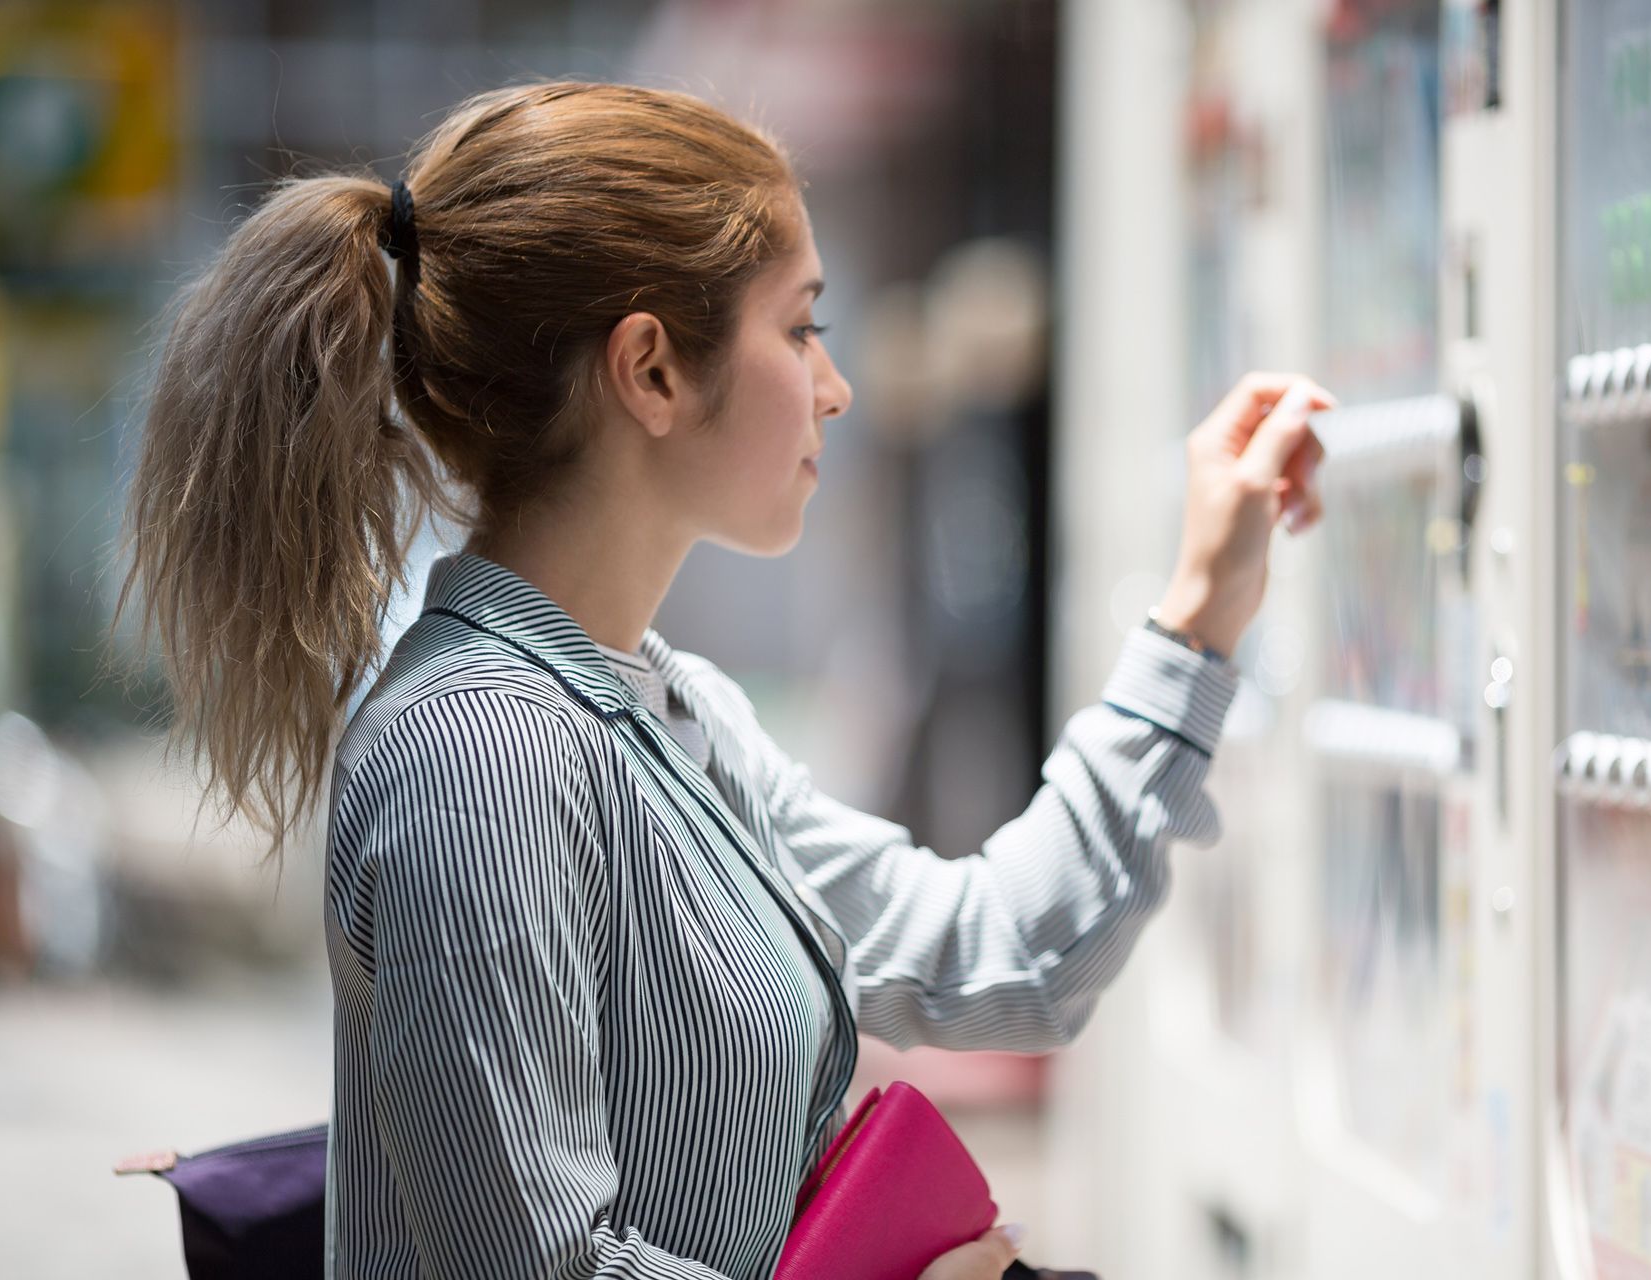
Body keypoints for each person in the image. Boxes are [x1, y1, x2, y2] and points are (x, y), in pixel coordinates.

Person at [119, 81, 1330, 1280]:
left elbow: (998, 954)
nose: (833, 384)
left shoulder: (672, 708)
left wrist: (1198, 615)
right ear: (648, 369)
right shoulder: (477, 754)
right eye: (800, 326)